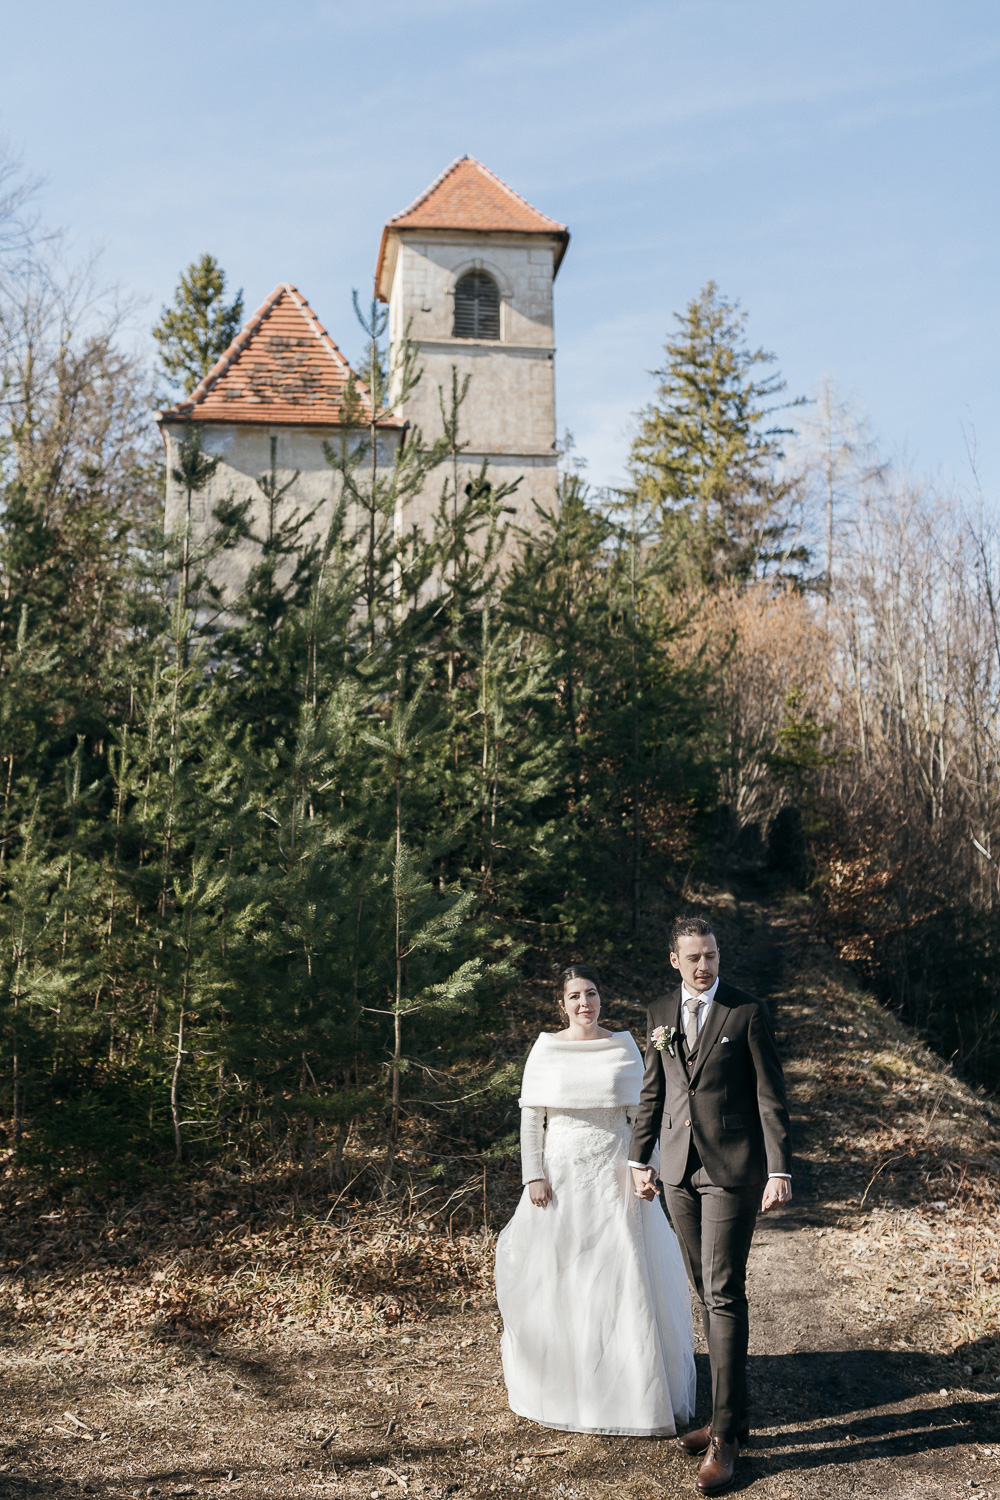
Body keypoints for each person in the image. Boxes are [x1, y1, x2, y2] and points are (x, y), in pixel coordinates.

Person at [495, 964, 695, 1436]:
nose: (585, 1003)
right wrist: (533, 1176)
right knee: (568, 1273)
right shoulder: (545, 1048)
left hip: (615, 1174)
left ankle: (633, 1389)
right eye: (575, 996)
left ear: (601, 997)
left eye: (592, 993)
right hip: (561, 1177)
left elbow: (644, 1114)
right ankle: (572, 1383)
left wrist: (648, 1168)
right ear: (561, 1004)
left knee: (622, 1272)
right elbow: (532, 1119)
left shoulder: (624, 1045)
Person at [629, 917, 792, 1496]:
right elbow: (655, 1091)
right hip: (675, 1168)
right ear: (674, 959)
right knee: (704, 1289)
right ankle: (734, 1416)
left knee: (723, 1290)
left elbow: (770, 1094)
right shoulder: (657, 1013)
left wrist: (778, 1168)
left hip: (732, 1169)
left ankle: (725, 1437)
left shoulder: (745, 1012)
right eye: (694, 957)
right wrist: (638, 1158)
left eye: (713, 956)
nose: (705, 966)